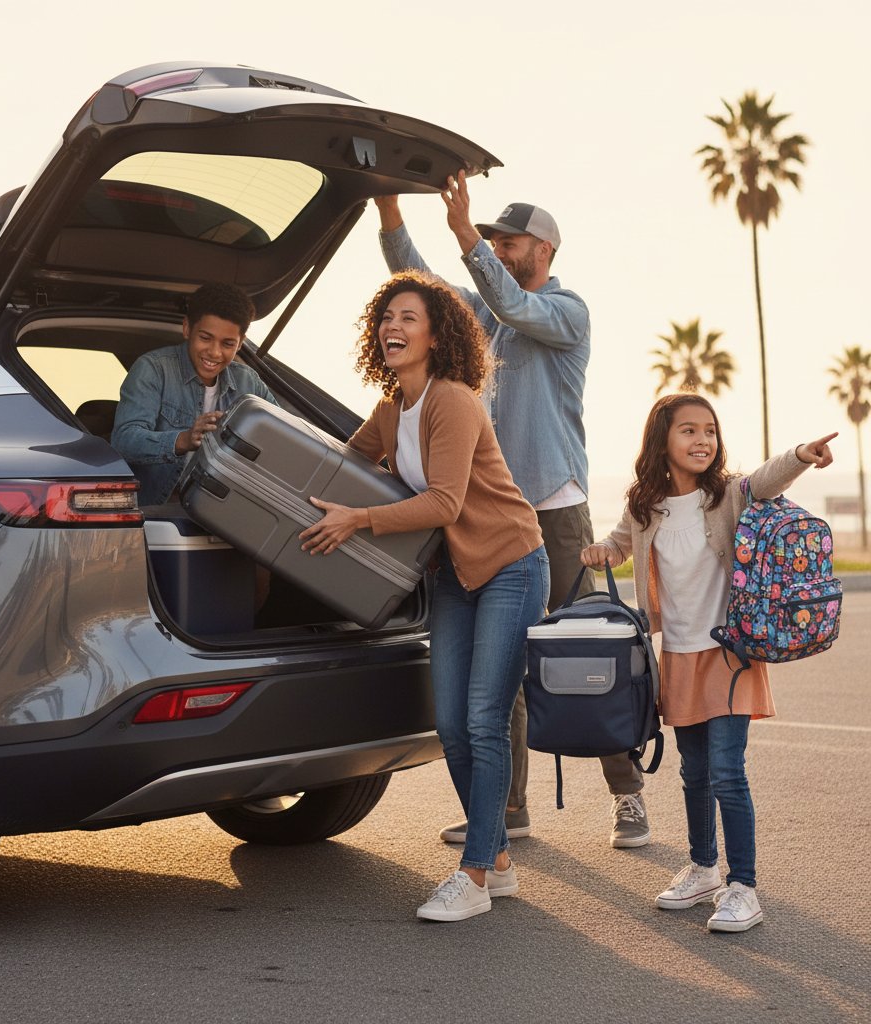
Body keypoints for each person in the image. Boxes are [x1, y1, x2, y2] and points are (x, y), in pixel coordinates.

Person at [375, 172, 649, 849]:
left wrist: (467, 235)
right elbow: (424, 286)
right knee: (504, 675)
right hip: (487, 523)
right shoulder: (485, 316)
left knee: (588, 656)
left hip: (554, 517)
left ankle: (628, 796)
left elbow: (506, 298)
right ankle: (508, 808)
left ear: (545, 250)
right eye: (492, 239)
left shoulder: (565, 312)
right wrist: (388, 212)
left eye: (508, 240)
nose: (497, 247)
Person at [300, 271, 549, 922]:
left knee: (484, 721)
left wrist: (356, 519)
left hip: (511, 564)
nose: (393, 327)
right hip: (454, 576)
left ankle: (472, 875)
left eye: (408, 318)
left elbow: (444, 501)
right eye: (386, 317)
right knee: (450, 726)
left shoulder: (453, 401)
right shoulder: (391, 411)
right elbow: (340, 471)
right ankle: (497, 862)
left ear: (437, 336)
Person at [580, 393, 836, 932]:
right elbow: (622, 542)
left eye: (710, 432)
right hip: (676, 654)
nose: (702, 441)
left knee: (726, 771)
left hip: (730, 651)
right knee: (692, 771)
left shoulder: (726, 495)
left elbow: (767, 479)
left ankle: (744, 886)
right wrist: (603, 548)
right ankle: (703, 868)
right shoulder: (644, 505)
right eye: (689, 431)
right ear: (662, 442)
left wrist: (801, 454)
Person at [111, 282, 277, 505]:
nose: (215, 352)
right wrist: (184, 439)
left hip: (223, 512)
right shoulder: (154, 369)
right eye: (205, 338)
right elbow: (125, 440)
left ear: (240, 344)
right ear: (187, 328)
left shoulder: (249, 381)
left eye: (228, 343)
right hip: (160, 510)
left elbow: (283, 435)